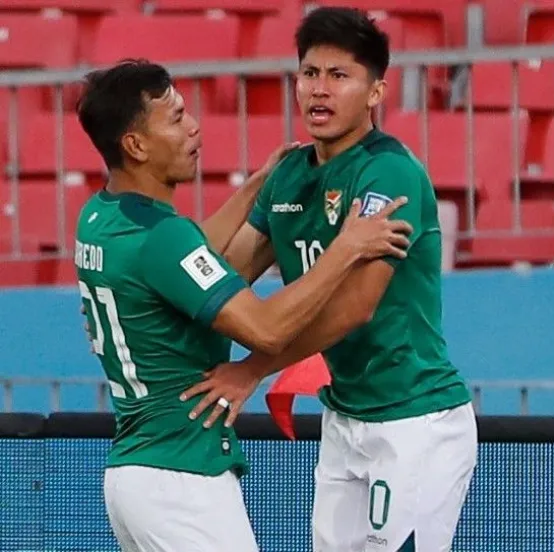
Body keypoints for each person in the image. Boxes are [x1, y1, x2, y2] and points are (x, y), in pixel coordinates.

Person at [74, 59, 412, 552]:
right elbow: (265, 329)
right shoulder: (162, 238)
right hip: (183, 478)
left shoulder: (101, 218)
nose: (193, 128)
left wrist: (257, 186)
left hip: (133, 478)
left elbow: (186, 261)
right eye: (175, 119)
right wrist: (347, 249)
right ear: (136, 145)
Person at [178, 7, 478, 552]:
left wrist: (253, 371)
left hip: (415, 419)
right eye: (310, 73)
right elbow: (228, 277)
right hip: (343, 417)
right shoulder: (288, 174)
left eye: (339, 76)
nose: (319, 89)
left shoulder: (388, 172)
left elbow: (354, 306)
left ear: (375, 92)